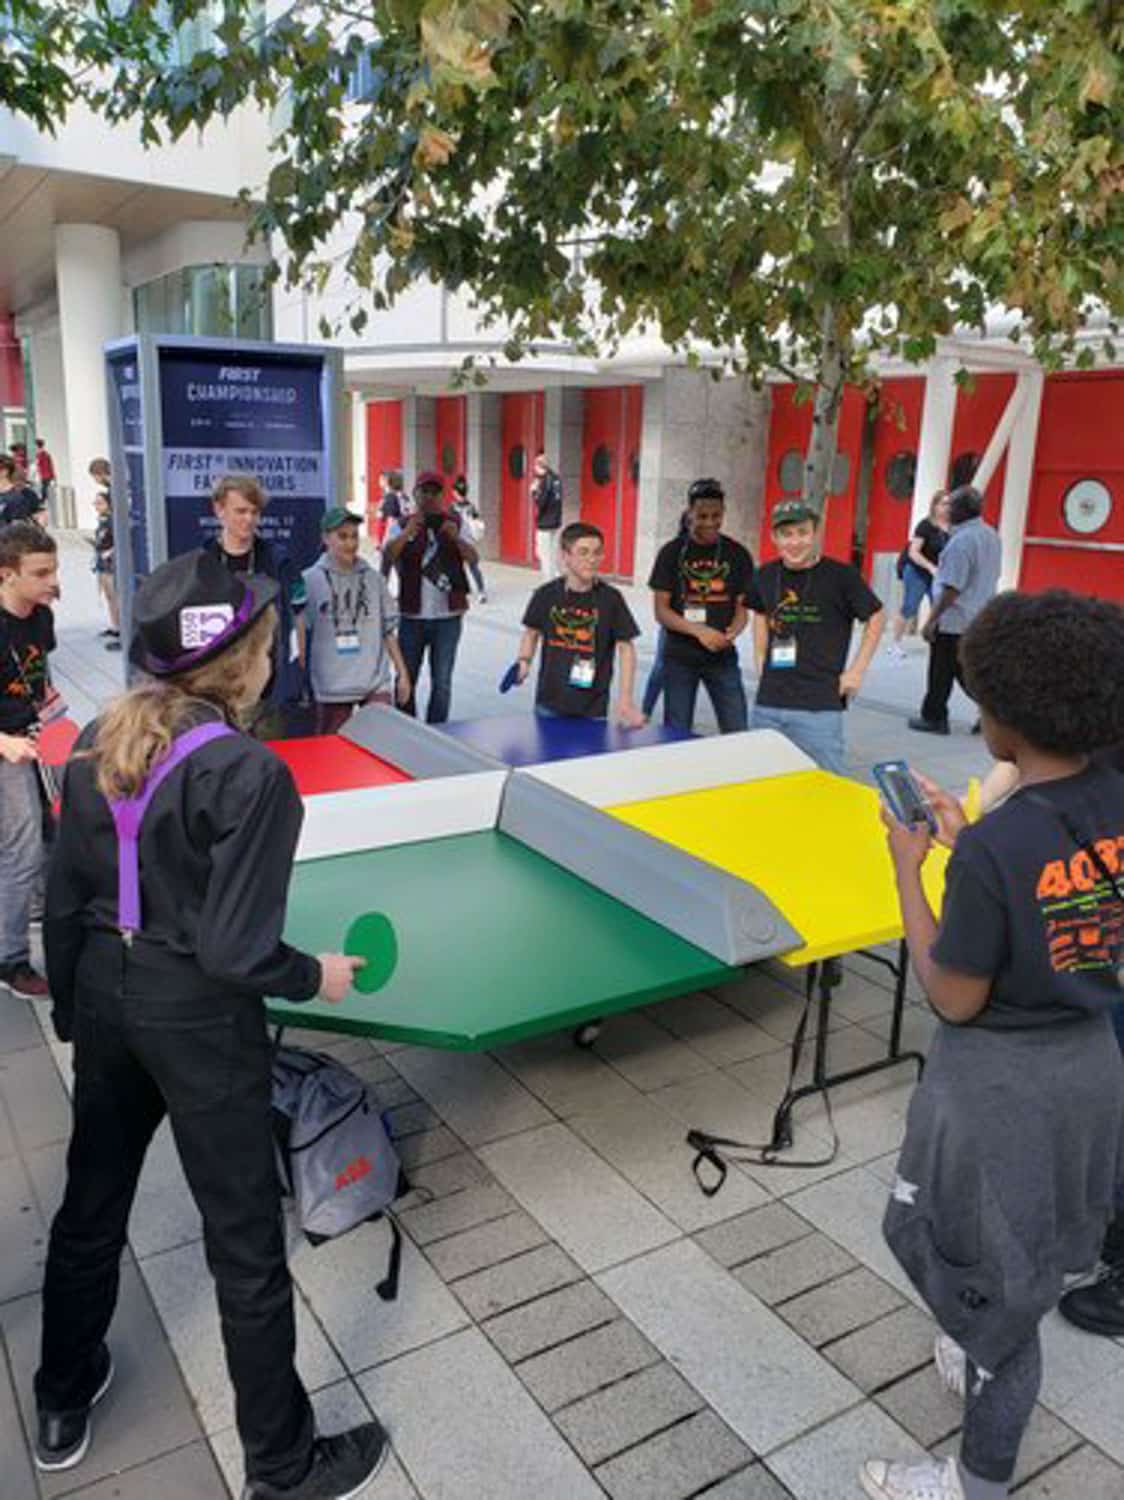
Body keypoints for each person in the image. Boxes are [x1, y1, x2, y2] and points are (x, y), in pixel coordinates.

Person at [33, 547, 386, 1497]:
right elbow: (236, 952)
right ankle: (282, 1466)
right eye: (268, 641)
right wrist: (318, 976)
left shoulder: (97, 738)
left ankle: (61, 1397)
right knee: (244, 1246)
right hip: (198, 1022)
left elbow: (62, 901)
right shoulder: (249, 773)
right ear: (247, 659)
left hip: (105, 995)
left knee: (90, 1204)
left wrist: (73, 1010)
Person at [861, 589, 1124, 1500]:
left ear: (1007, 717)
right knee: (1035, 1255)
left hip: (1003, 1091)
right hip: (1091, 1069)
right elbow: (1063, 899)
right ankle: (974, 1328)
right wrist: (971, 843)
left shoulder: (998, 847)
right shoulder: (1110, 797)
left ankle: (977, 1480)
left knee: (994, 1291)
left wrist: (911, 868)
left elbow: (953, 996)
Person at [746, 499, 883, 775]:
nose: (795, 542)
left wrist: (856, 671)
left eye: (802, 532)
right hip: (769, 703)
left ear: (815, 532)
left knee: (827, 781)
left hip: (820, 705)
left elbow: (876, 617)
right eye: (786, 534)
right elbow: (759, 612)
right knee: (766, 781)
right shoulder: (765, 575)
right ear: (774, 537)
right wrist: (759, 656)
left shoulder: (842, 576)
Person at [0, 522, 60, 1001]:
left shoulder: (40, 616)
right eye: (40, 574)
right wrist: (4, 743)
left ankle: (38, 913)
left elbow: (39, 676)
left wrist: (55, 715)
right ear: (7, 574)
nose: (52, 582)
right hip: (7, 747)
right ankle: (10, 959)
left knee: (52, 835)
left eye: (53, 571)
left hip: (35, 737)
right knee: (21, 851)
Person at [647, 477, 753, 734]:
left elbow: (742, 607)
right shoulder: (671, 553)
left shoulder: (738, 554)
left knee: (737, 729)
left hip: (722, 657)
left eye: (716, 516)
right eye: (702, 516)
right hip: (679, 657)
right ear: (689, 513)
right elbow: (661, 611)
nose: (710, 522)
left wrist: (734, 631)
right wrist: (699, 632)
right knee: (677, 734)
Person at [205, 473, 306, 736]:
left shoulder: (278, 559)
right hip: (218, 691)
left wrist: (296, 673)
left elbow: (299, 611)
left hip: (268, 691)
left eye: (255, 512)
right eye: (240, 511)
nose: (249, 519)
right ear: (219, 510)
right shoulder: (202, 562)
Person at [517, 521, 645, 725]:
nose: (592, 559)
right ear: (565, 556)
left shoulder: (611, 599)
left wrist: (626, 699)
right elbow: (531, 633)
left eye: (597, 552)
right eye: (583, 552)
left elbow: (626, 648)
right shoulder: (545, 595)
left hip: (593, 709)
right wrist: (524, 661)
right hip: (549, 704)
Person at [301, 507, 410, 735]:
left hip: (374, 682)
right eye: (342, 537)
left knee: (381, 745)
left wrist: (403, 674)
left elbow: (388, 631)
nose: (350, 543)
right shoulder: (309, 581)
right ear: (326, 539)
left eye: (354, 536)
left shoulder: (374, 579)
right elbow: (300, 635)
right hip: (332, 686)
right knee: (333, 750)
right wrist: (302, 680)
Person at [383, 470, 478, 723]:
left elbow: (473, 558)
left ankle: (437, 731)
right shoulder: (401, 523)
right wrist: (407, 533)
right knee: (406, 677)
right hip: (412, 615)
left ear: (442, 495)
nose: (429, 497)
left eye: (435, 492)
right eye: (424, 491)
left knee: (442, 682)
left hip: (448, 616)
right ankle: (406, 729)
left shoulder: (456, 522)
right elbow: (387, 555)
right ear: (415, 494)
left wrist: (455, 538)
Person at [909, 486, 1001, 736]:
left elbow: (951, 588)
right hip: (978, 614)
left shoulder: (961, 543)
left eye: (950, 505)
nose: (947, 510)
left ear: (960, 511)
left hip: (955, 618)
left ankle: (934, 717)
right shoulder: (990, 535)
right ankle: (994, 712)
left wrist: (932, 620)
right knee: (963, 670)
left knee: (941, 670)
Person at [889, 491, 950, 656]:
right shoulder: (926, 525)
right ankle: (895, 644)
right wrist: (930, 567)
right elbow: (913, 552)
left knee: (939, 608)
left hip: (938, 574)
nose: (947, 507)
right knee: (910, 605)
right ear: (935, 506)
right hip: (917, 570)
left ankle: (936, 644)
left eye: (949, 504)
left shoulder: (953, 527)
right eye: (943, 504)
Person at [91, 490, 121, 651]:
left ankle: (121, 627)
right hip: (102, 562)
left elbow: (121, 540)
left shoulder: (113, 521)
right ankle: (115, 625)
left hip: (110, 563)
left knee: (114, 595)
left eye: (100, 503)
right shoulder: (102, 521)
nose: (96, 506)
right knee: (109, 596)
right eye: (95, 503)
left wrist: (111, 551)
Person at [450, 475, 487, 601]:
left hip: (458, 540)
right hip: (470, 541)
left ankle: (463, 589)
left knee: (458, 567)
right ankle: (481, 591)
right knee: (473, 567)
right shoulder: (471, 506)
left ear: (455, 492)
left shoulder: (452, 507)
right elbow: (477, 522)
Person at [530, 452, 563, 580]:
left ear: (539, 466)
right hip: (556, 521)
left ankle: (549, 580)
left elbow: (541, 503)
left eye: (535, 465)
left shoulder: (545, 481)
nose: (534, 468)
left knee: (543, 554)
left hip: (545, 522)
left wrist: (534, 492)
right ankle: (555, 576)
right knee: (552, 553)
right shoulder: (556, 478)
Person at [0, 452, 46, 527]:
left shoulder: (17, 498)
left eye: (22, 480)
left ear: (4, 472)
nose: (20, 483)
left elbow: (17, 528)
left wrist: (40, 523)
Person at [35, 439, 56, 509]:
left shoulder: (40, 455)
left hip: (44, 474)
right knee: (45, 488)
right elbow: (50, 465)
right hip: (46, 474)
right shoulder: (46, 454)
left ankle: (43, 502)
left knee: (44, 488)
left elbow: (39, 465)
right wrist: (53, 475)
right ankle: (45, 501)